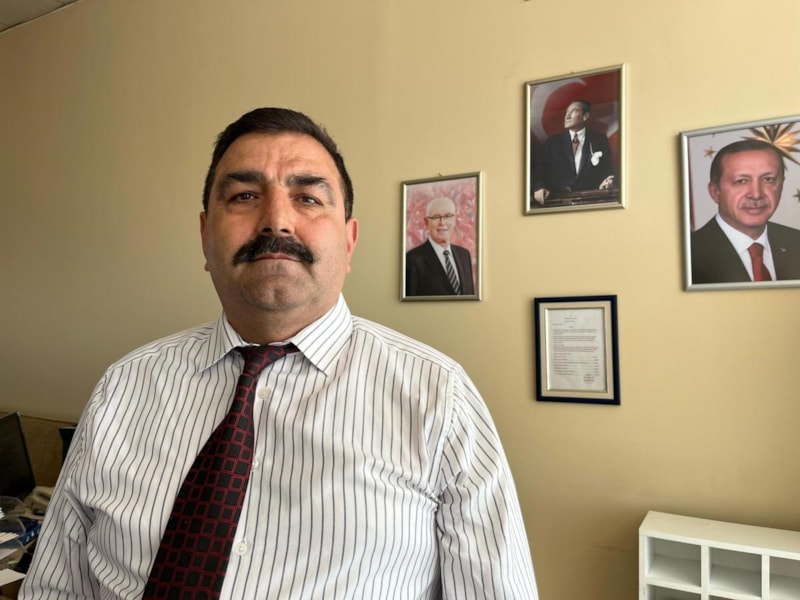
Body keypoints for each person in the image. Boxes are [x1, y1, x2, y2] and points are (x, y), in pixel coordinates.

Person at [20, 108, 538, 599]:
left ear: (349, 242)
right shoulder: (122, 387)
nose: (276, 221)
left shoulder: (440, 398)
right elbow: (54, 588)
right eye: (245, 196)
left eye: (308, 198)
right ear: (204, 236)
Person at [691, 139, 800, 284]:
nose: (756, 194)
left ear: (781, 185)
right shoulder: (689, 253)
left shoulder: (796, 242)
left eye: (768, 179)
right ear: (715, 192)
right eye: (741, 181)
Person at [530, 99, 615, 206]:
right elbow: (540, 171)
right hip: (557, 203)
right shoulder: (552, 143)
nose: (567, 116)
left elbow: (606, 170)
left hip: (589, 202)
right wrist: (539, 187)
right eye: (566, 112)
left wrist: (607, 182)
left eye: (573, 111)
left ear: (585, 116)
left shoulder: (599, 140)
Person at [405, 196, 475, 297]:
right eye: (435, 217)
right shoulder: (413, 259)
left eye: (447, 216)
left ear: (454, 219)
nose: (442, 222)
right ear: (426, 222)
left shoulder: (464, 255)